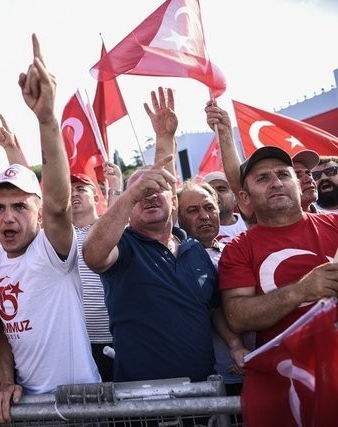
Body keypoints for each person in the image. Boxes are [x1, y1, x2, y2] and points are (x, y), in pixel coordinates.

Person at [84, 87, 242, 385]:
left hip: (202, 395)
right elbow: (93, 255)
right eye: (140, 193)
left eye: (157, 191)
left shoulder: (195, 249)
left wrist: (235, 345)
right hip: (143, 403)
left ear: (174, 203)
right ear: (128, 205)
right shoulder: (124, 246)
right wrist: (130, 192)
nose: (149, 195)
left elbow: (212, 309)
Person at [0, 34, 99, 425]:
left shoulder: (52, 252)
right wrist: (4, 379)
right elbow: (0, 327)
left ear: (38, 214)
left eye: (19, 207)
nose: (7, 217)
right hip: (28, 409)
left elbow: (58, 203)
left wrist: (46, 119)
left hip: (81, 406)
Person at [219, 146, 338, 348]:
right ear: (245, 197)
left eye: (283, 174)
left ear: (299, 186)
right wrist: (301, 290)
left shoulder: (335, 225)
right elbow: (236, 317)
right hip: (285, 373)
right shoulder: (237, 249)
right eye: (263, 178)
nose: (276, 183)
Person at [176, 182, 251, 395]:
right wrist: (234, 346)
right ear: (179, 218)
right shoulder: (176, 259)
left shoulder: (235, 252)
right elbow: (212, 307)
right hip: (212, 378)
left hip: (253, 366)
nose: (204, 216)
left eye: (209, 208)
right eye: (192, 210)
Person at [70, 172, 113, 382]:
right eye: (69, 190)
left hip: (112, 340)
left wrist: (115, 185)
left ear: (97, 197)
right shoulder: (55, 237)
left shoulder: (111, 229)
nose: (73, 194)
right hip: (74, 342)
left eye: (80, 189)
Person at [202, 171, 247, 243]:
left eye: (221, 189)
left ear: (235, 198)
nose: (215, 194)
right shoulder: (200, 230)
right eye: (210, 191)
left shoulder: (249, 223)